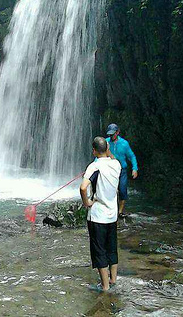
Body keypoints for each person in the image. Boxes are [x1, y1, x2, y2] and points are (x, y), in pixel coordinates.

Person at [80, 136, 121, 291]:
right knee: (111, 247)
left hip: (98, 216)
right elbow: (111, 157)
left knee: (99, 250)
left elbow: (83, 188)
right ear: (107, 148)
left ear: (93, 150)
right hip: (112, 214)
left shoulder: (94, 167)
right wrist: (107, 150)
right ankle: (113, 280)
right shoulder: (116, 165)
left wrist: (86, 202)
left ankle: (104, 287)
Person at [106, 123, 138, 217]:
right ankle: (110, 210)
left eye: (113, 134)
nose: (111, 136)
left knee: (122, 190)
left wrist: (134, 168)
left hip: (122, 170)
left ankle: (120, 212)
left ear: (118, 132)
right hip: (109, 170)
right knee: (109, 190)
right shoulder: (105, 142)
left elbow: (131, 156)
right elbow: (99, 155)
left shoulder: (124, 144)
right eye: (109, 134)